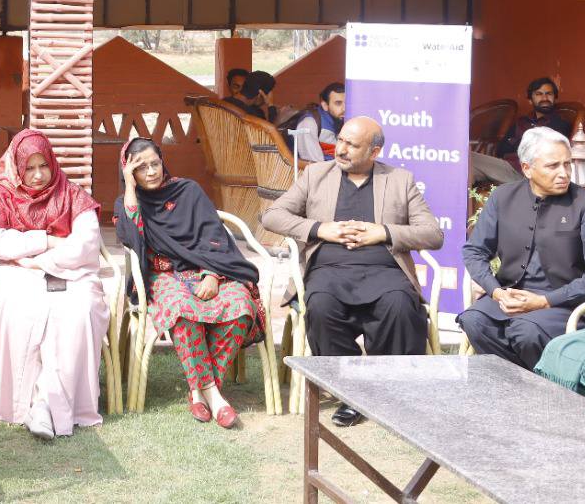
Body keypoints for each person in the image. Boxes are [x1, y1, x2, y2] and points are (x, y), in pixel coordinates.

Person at [260, 115, 442, 427]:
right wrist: (320, 229)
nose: (340, 149)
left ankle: (385, 389)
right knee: (321, 306)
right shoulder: (316, 174)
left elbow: (433, 234)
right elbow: (272, 216)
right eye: (341, 140)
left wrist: (383, 232)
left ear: (374, 151)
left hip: (385, 272)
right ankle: (351, 392)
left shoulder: (399, 180)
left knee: (399, 306)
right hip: (328, 270)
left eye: (351, 145)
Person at [115, 137, 263, 428]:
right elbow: (131, 238)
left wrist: (212, 274)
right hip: (163, 276)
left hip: (207, 269)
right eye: (141, 168)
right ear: (129, 172)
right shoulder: (128, 202)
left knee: (240, 305)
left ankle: (199, 391)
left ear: (163, 161)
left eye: (155, 163)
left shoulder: (188, 191)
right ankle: (214, 396)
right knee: (181, 310)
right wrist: (130, 189)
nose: (151, 172)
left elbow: (215, 236)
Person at [0, 128, 108, 441]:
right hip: (16, 274)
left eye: (43, 166)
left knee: (78, 312)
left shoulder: (71, 193)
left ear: (53, 162)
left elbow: (86, 244)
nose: (38, 175)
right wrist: (46, 240)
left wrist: (39, 260)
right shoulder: (2, 194)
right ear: (17, 168)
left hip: (69, 273)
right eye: (29, 168)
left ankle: (45, 405)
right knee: (21, 309)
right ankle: (33, 404)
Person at [460, 127, 585, 370]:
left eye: (567, 164)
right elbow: (474, 251)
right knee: (474, 320)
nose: (564, 173)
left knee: (525, 331)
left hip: (563, 303)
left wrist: (543, 301)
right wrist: (496, 292)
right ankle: (514, 382)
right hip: (510, 295)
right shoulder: (503, 197)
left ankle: (543, 385)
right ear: (527, 168)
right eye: (553, 166)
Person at [498, 77, 573, 169]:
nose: (545, 98)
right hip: (506, 166)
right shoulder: (522, 122)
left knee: (479, 163)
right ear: (530, 100)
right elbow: (500, 150)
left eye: (549, 94)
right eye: (539, 94)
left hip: (526, 171)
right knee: (479, 160)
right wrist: (524, 145)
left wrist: (515, 143)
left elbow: (543, 154)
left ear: (555, 98)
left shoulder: (560, 124)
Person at [287, 82, 346, 162]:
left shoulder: (343, 121)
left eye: (347, 103)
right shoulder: (309, 123)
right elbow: (314, 164)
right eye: (338, 103)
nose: (344, 109)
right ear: (325, 106)